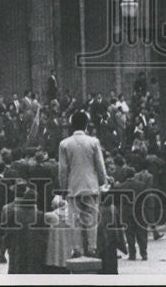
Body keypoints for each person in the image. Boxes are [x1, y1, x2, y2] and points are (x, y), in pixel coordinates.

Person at [58, 110, 107, 257]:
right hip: (91, 185)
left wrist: (63, 188)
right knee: (92, 218)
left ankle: (77, 249)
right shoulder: (94, 142)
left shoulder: (64, 144)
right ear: (86, 124)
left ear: (72, 125)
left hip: (73, 186)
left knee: (75, 219)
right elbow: (100, 165)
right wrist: (102, 181)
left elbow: (63, 169)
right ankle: (92, 247)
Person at [1, 182, 47, 274]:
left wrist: (4, 248)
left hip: (16, 250)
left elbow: (8, 234)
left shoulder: (14, 213)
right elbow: (44, 235)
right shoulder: (39, 215)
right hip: (34, 251)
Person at [44, 195, 74, 273]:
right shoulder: (71, 217)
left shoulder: (50, 216)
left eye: (52, 204)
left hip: (54, 251)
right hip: (68, 250)